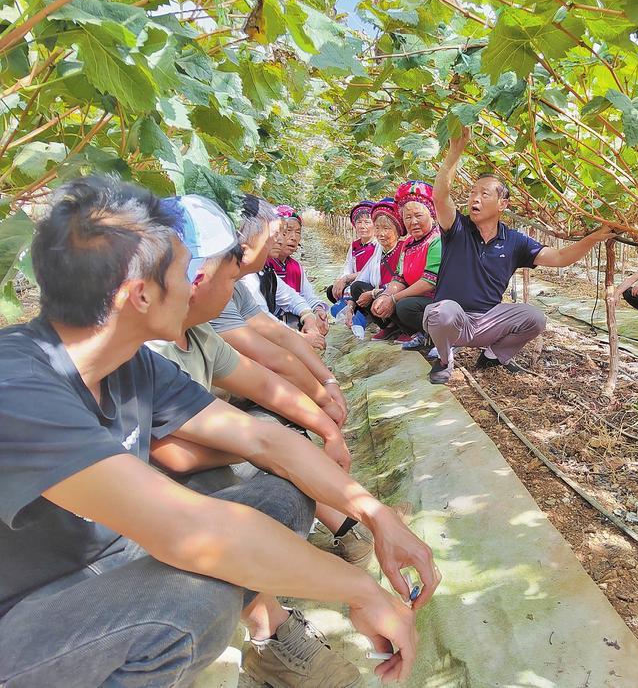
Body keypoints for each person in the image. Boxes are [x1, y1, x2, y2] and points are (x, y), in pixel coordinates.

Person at [0, 177, 435, 688]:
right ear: (141, 295)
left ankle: (267, 628)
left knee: (284, 494)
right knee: (192, 604)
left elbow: (266, 441)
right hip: (29, 610)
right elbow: (191, 531)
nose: (197, 286)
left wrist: (377, 516)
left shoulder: (131, 362)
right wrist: (362, 591)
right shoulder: (17, 386)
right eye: (185, 273)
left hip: (118, 554)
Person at [145, 195, 380, 685]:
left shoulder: (196, 333)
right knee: (258, 495)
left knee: (282, 465)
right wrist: (267, 445)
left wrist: (322, 420)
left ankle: (277, 604)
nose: (237, 280)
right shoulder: (151, 349)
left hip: (186, 463)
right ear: (197, 278)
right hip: (140, 513)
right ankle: (268, 630)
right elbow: (175, 455)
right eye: (230, 270)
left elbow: (266, 379)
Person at [422, 127, 615, 384]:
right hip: (454, 321)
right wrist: (455, 152)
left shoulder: (514, 241)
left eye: (484, 194)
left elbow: (560, 257)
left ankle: (492, 356)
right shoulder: (457, 228)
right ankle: (445, 360)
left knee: (534, 318)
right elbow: (439, 196)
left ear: (502, 204)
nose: (475, 199)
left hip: (487, 322)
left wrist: (592, 238)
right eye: (472, 193)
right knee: (441, 312)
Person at [211, 195, 348, 428]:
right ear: (245, 248)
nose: (280, 240)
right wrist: (324, 405)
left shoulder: (238, 285)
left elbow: (280, 334)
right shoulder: (216, 291)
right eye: (274, 236)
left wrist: (328, 381)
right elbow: (271, 357)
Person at [370, 181, 442, 349]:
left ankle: (435, 334)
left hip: (437, 299)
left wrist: (394, 299)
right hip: (416, 298)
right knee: (380, 301)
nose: (413, 221)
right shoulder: (408, 243)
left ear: (432, 215)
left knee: (403, 306)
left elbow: (429, 282)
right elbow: (399, 277)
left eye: (418, 215)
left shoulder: (437, 240)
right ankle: (416, 333)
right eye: (408, 217)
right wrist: (386, 296)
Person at [350, 197, 406, 340]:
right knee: (357, 287)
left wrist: (374, 293)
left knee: (400, 301)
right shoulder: (378, 251)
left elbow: (405, 283)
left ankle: (406, 329)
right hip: (382, 294)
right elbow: (362, 277)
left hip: (398, 293)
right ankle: (388, 327)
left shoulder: (403, 249)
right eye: (377, 228)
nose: (380, 233)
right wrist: (350, 307)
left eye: (386, 228)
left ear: (397, 230)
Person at [268, 205, 329, 331]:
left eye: (298, 232)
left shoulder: (295, 267)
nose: (293, 237)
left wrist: (318, 310)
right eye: (287, 231)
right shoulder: (263, 264)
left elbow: (307, 296)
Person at [326, 201, 380, 336]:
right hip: (354, 282)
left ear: (374, 224)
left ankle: (363, 314)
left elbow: (372, 271)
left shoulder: (378, 245)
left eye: (367, 222)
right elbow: (348, 267)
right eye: (359, 222)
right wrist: (341, 280)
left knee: (356, 288)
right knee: (332, 290)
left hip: (370, 284)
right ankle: (354, 313)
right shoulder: (355, 245)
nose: (362, 226)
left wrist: (347, 278)